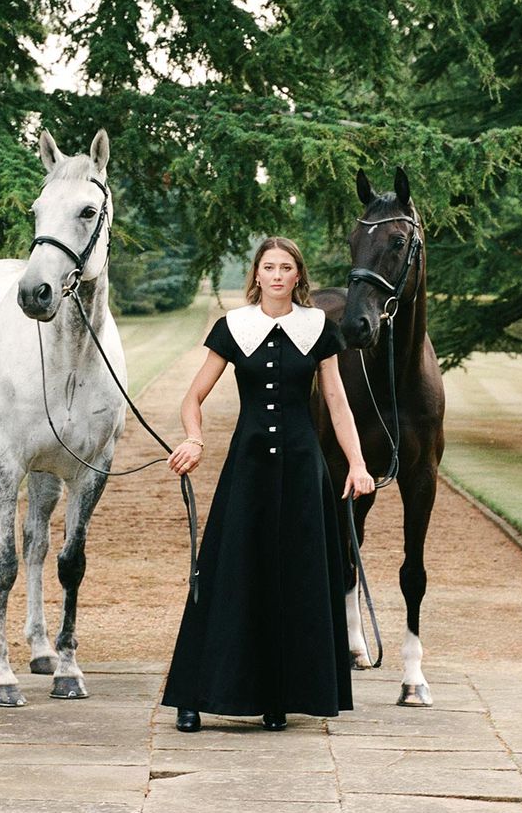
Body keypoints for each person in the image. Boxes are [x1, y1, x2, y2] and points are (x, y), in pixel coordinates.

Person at [160, 236, 375, 732]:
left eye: (286, 268)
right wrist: (194, 439)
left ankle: (280, 696)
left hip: (304, 471)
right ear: (256, 275)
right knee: (227, 575)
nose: (277, 275)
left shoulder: (318, 328)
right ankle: (193, 695)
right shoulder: (233, 328)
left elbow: (338, 404)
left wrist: (358, 465)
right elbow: (193, 397)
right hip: (247, 469)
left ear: (298, 276)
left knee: (296, 579)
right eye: (268, 267)